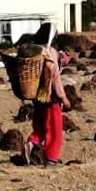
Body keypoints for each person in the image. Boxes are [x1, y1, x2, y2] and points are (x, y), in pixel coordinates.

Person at [25, 23, 70, 167]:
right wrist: (63, 97)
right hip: (50, 96)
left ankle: (32, 142)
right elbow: (55, 77)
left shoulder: (33, 50)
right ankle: (51, 158)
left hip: (36, 95)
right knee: (55, 129)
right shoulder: (49, 51)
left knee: (41, 125)